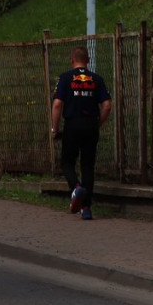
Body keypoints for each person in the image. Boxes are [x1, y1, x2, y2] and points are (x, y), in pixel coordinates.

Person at [51, 46, 112, 220]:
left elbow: (57, 105)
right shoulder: (97, 79)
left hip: (72, 124)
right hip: (91, 125)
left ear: (72, 60)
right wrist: (98, 123)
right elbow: (107, 105)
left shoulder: (65, 78)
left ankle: (76, 188)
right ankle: (86, 209)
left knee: (67, 163)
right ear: (88, 60)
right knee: (87, 166)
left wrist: (55, 128)